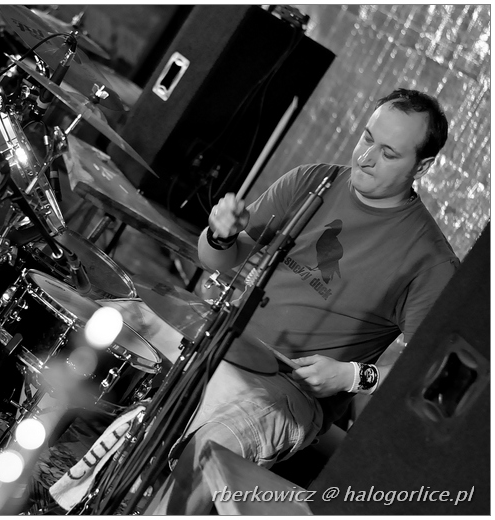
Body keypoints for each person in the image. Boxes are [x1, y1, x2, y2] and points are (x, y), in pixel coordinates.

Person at [150, 88, 460, 514]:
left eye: (388, 153)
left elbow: (434, 371)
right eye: (367, 138)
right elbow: (219, 257)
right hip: (227, 342)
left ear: (421, 167)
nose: (366, 158)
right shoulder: (313, 180)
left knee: (211, 445)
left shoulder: (430, 258)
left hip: (292, 391)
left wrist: (352, 376)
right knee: (120, 329)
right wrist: (220, 235)